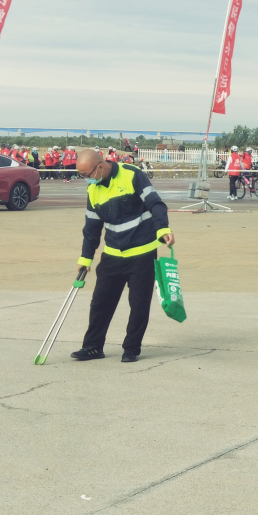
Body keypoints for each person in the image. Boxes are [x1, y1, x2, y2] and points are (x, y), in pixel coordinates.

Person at [70, 149, 174, 363]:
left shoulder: (132, 174)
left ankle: (131, 348)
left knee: (138, 304)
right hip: (112, 254)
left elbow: (156, 203)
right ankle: (92, 347)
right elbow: (92, 227)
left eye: (87, 174)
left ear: (100, 166)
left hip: (142, 252)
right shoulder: (93, 190)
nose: (86, 180)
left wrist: (162, 229)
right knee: (100, 303)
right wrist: (85, 258)